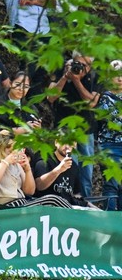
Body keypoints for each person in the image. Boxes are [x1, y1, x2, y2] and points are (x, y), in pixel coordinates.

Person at [47, 51, 100, 198]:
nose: (80, 67)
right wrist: (65, 77)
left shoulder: (95, 76)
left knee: (86, 171)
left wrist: (76, 81)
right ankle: (67, 199)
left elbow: (91, 103)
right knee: (69, 165)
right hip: (64, 128)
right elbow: (50, 97)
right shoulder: (62, 69)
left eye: (85, 65)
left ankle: (86, 201)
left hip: (86, 129)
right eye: (78, 63)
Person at [0, 130, 73, 209]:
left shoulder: (16, 165)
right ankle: (76, 217)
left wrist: (27, 169)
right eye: (9, 151)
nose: (13, 154)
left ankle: (74, 217)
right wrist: (5, 162)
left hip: (22, 203)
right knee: (52, 199)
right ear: (0, 148)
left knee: (54, 203)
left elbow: (30, 191)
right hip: (6, 207)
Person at [93, 61, 122, 211]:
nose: (120, 79)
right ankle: (110, 218)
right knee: (111, 184)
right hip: (110, 146)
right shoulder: (105, 97)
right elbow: (113, 122)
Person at [31, 140, 84, 206]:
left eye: (70, 143)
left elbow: (76, 194)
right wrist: (59, 169)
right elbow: (39, 186)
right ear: (56, 143)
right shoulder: (45, 160)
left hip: (67, 207)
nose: (67, 146)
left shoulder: (74, 166)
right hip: (47, 206)